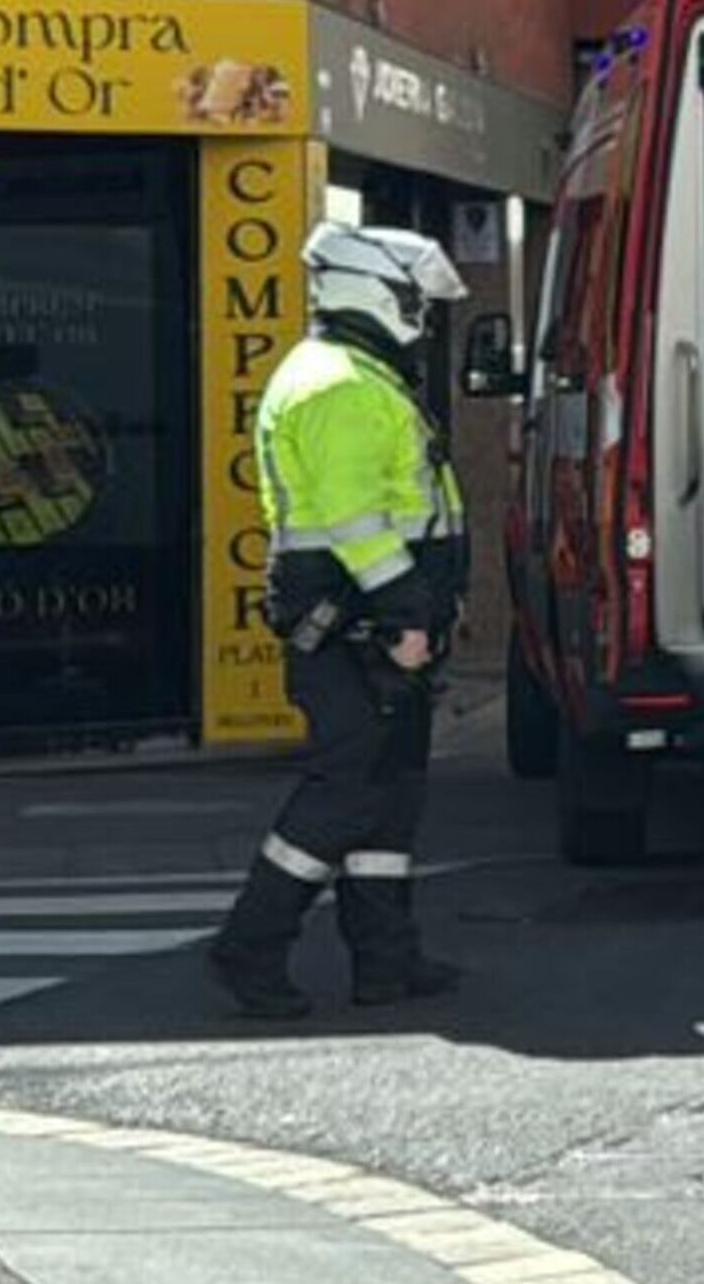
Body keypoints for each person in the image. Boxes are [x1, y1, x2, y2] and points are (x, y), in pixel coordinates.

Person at [207, 222, 474, 1020]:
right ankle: (251, 946)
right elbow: (356, 522)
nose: (420, 316)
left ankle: (385, 962)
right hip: (355, 618)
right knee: (348, 788)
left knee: (391, 792)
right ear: (375, 293)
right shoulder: (339, 386)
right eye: (412, 299)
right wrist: (403, 616)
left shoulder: (354, 373)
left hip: (367, 615)